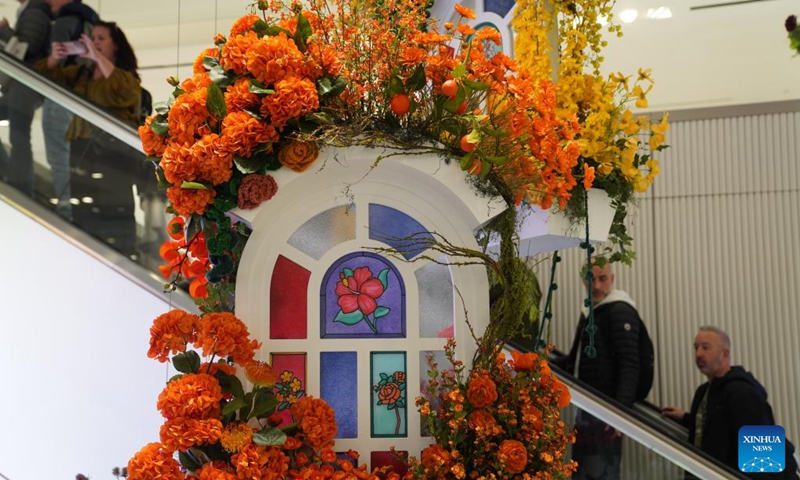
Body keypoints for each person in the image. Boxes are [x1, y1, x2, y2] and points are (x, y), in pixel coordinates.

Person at [38, 21, 142, 257]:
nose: (94, 42)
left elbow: (127, 93)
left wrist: (96, 57)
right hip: (81, 153)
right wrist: (55, 57)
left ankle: (124, 258)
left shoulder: (124, 77)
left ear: (115, 45)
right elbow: (45, 79)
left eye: (101, 38)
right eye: (92, 38)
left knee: (117, 211)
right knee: (84, 215)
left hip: (114, 158)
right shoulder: (82, 74)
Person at [662, 327, 799, 479]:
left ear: (725, 354)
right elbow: (717, 428)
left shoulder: (742, 392)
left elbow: (761, 457)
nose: (698, 354)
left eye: (705, 348)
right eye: (696, 348)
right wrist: (687, 418)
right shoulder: (703, 392)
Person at [559, 259, 641, 480]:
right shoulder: (590, 310)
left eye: (602, 279)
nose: (596, 285)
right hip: (588, 410)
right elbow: (577, 359)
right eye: (590, 279)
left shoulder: (619, 311)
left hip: (605, 415)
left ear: (612, 279)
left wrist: (620, 413)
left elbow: (630, 364)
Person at [42, 0, 99, 220]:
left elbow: (53, 66)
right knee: (73, 156)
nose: (48, 3)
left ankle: (65, 210)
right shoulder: (90, 23)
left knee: (58, 155)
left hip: (61, 95)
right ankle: (75, 209)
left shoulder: (63, 23)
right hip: (84, 99)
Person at [0, 0, 50, 196]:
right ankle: (10, 175)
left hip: (25, 85)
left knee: (19, 137)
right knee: (19, 136)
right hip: (21, 86)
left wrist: (4, 30)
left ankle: (20, 186)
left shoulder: (35, 11)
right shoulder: (30, 11)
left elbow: (24, 49)